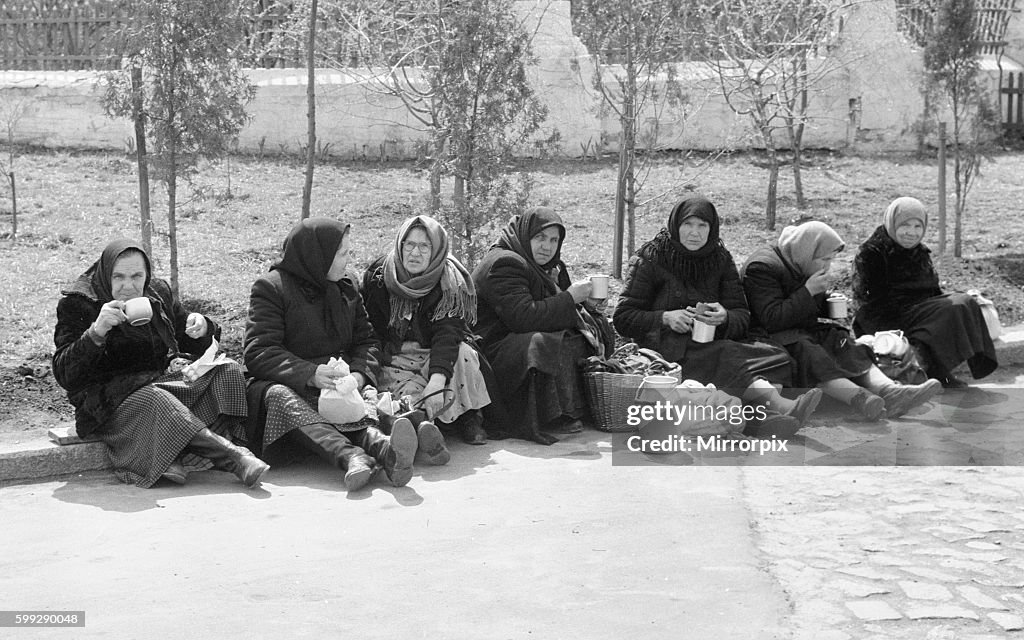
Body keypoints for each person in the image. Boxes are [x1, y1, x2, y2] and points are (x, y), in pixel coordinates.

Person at [53, 239, 267, 489]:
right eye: (118, 277)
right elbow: (65, 375)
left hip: (156, 387)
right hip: (106, 405)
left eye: (136, 276)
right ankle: (233, 458)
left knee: (227, 370)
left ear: (146, 275)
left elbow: (185, 334)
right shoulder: (79, 303)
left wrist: (202, 327)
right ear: (105, 274)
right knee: (157, 400)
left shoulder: (156, 293)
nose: (128, 286)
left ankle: (174, 450)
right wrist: (96, 332)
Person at [614, 196, 821, 435]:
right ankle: (779, 406)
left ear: (712, 229)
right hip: (668, 351)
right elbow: (623, 317)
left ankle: (760, 419)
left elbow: (742, 314)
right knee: (729, 356)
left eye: (703, 226)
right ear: (675, 225)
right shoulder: (652, 258)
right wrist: (665, 317)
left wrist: (725, 317)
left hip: (710, 342)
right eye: (688, 224)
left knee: (776, 355)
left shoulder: (720, 260)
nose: (695, 233)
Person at [244, 218, 418, 491]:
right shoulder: (272, 288)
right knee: (280, 396)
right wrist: (311, 375)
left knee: (360, 396)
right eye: (343, 254)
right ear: (319, 256)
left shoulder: (346, 285)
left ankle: (384, 449)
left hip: (340, 381)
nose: (349, 260)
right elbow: (259, 350)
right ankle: (351, 456)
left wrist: (359, 375)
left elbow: (367, 340)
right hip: (292, 384)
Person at [742, 220, 942, 421]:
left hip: (799, 328)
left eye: (830, 260)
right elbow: (770, 318)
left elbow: (805, 307)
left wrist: (827, 302)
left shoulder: (800, 261)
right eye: (824, 260)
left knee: (840, 339)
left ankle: (889, 390)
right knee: (808, 350)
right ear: (807, 253)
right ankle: (860, 398)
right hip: (768, 337)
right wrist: (808, 291)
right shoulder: (763, 267)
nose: (827, 266)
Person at [472, 206, 615, 444]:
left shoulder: (550, 266)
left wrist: (587, 305)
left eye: (553, 240)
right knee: (544, 342)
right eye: (539, 238)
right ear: (525, 235)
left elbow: (560, 307)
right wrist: (570, 298)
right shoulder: (504, 263)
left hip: (519, 336)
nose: (547, 246)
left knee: (590, 329)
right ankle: (553, 414)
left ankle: (581, 407)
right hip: (494, 348)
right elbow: (523, 317)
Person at [362, 215, 496, 450]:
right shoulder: (379, 277)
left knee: (464, 355)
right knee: (400, 395)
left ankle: (468, 417)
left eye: (425, 246)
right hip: (396, 353)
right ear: (400, 244)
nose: (415, 253)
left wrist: (437, 380)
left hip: (440, 351)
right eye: (410, 244)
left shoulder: (449, 281)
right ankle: (420, 427)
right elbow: (371, 330)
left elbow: (448, 335)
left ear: (436, 251)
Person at [853, 196, 997, 388]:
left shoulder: (919, 252)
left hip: (917, 313)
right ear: (892, 223)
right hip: (882, 319)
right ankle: (937, 374)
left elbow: (932, 291)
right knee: (946, 313)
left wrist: (940, 313)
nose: (911, 233)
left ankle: (942, 372)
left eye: (917, 227)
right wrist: (928, 317)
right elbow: (869, 305)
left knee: (963, 303)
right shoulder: (871, 252)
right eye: (905, 225)